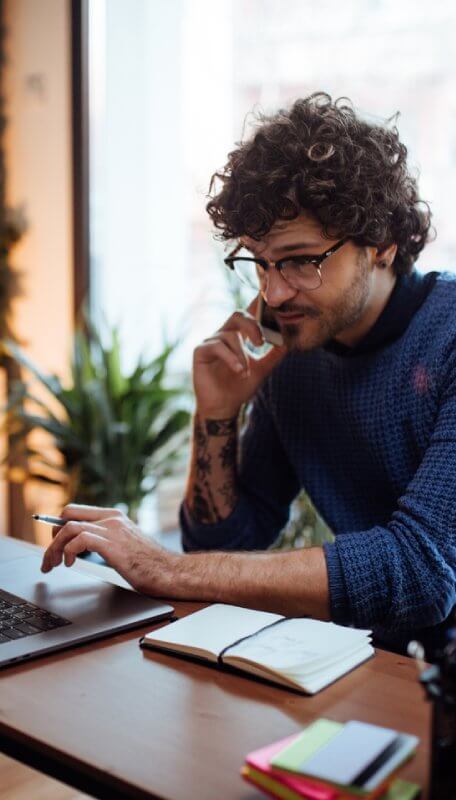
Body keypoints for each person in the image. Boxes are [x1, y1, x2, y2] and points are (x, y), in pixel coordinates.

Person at [41, 93, 456, 653]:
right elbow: (230, 537)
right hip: (382, 665)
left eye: (301, 260)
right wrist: (217, 412)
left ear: (381, 243)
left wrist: (161, 567)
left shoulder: (448, 337)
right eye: (258, 262)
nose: (274, 291)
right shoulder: (295, 350)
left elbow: (421, 573)